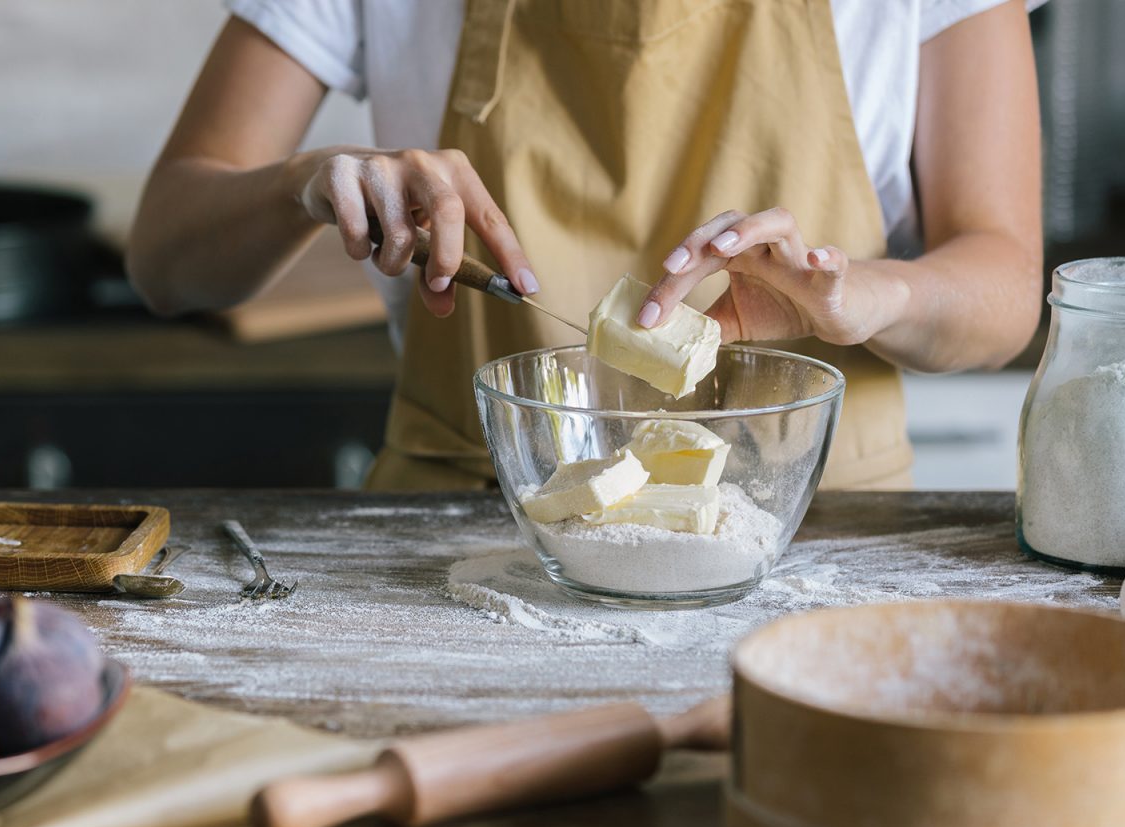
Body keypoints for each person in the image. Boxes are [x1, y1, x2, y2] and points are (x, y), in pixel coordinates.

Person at [129, 0, 1043, 491]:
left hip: (811, 539)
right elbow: (166, 256)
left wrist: (871, 297)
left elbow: (1005, 290)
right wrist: (311, 178)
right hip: (471, 533)